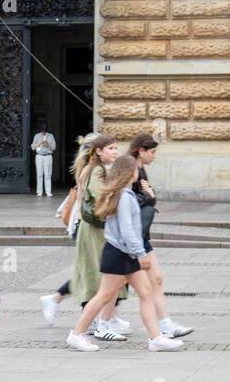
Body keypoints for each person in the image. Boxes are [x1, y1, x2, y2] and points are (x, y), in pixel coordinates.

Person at [66, 154, 183, 352]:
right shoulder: (125, 197)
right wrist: (141, 253)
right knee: (104, 296)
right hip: (120, 253)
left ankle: (156, 338)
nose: (138, 171)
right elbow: (128, 230)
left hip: (125, 253)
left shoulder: (121, 194)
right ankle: (77, 334)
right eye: (136, 169)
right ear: (130, 173)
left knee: (145, 292)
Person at [42, 135, 127, 337]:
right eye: (111, 148)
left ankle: (104, 319)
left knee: (96, 273)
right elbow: (102, 197)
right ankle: (95, 323)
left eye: (116, 148)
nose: (115, 152)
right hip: (92, 227)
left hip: (94, 227)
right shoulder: (95, 171)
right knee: (97, 274)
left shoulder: (94, 169)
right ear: (98, 151)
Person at [127, 133, 193, 340]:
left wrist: (149, 196)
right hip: (131, 237)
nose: (154, 156)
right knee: (111, 289)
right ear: (141, 151)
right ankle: (96, 322)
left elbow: (144, 198)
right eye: (152, 152)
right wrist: (149, 196)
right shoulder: (130, 169)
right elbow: (125, 201)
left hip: (141, 236)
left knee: (155, 279)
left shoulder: (141, 169)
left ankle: (165, 324)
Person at [31, 120, 57, 198]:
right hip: (39, 156)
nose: (43, 132)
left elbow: (54, 147)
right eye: (42, 130)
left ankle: (48, 192)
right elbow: (32, 147)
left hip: (48, 156)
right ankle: (39, 192)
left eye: (44, 130)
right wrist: (40, 143)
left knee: (48, 174)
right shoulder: (36, 136)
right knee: (39, 174)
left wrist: (48, 144)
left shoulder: (51, 136)